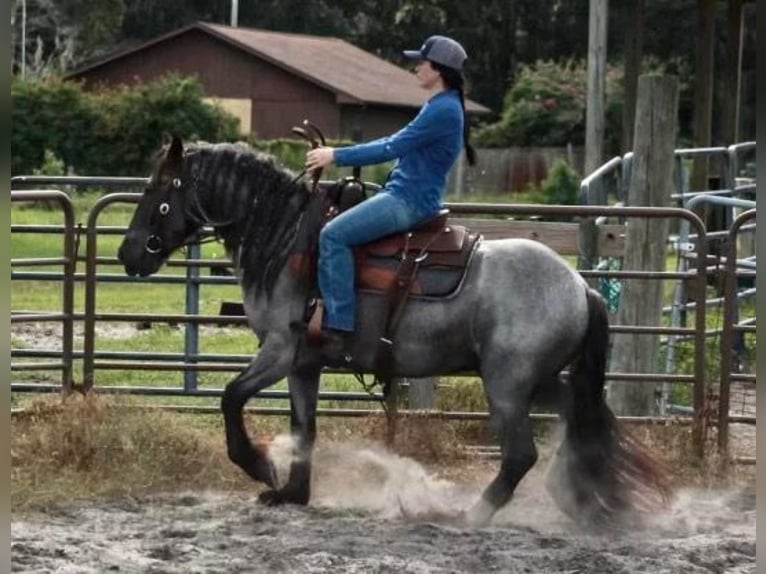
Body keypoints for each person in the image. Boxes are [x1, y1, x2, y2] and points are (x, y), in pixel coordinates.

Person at [305, 35, 477, 355]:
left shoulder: (443, 110)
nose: (416, 68)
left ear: (437, 69)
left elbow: (391, 147)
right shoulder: (443, 105)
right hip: (408, 195)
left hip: (408, 201)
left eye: (421, 62)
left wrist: (335, 156)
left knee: (333, 235)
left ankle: (339, 326)